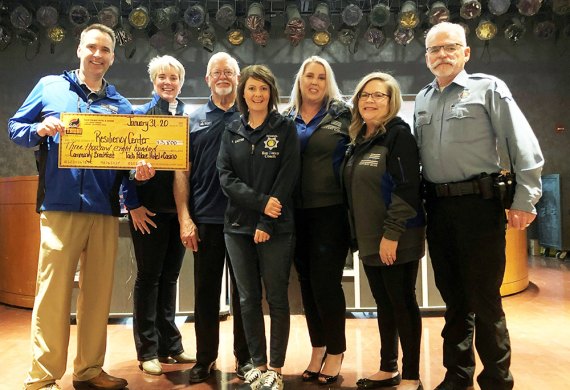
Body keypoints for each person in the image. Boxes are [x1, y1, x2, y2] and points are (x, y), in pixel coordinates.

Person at [8, 24, 155, 390]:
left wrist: (139, 173)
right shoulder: (49, 87)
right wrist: (39, 128)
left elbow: (127, 166)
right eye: (92, 47)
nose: (97, 55)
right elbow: (15, 127)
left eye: (105, 50)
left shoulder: (121, 106)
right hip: (59, 207)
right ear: (79, 49)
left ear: (112, 58)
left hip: (104, 212)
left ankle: (88, 371)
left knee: (97, 296)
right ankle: (42, 378)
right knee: (53, 295)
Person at [414, 22, 544, 390]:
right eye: (434, 50)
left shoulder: (488, 89)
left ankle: (497, 380)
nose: (442, 55)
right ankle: (457, 375)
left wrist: (525, 199)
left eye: (450, 47)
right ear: (426, 57)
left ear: (466, 52)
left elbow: (525, 148)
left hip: (479, 208)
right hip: (438, 209)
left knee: (485, 299)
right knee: (453, 300)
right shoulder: (423, 98)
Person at [217, 64, 300, 390]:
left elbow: (287, 176)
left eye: (263, 88)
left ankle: (276, 368)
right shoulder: (232, 129)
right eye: (251, 88)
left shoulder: (285, 128)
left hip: (276, 228)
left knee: (277, 298)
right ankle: (257, 363)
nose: (257, 94)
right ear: (243, 93)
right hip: (236, 228)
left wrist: (267, 217)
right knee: (248, 299)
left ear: (271, 92)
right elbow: (226, 178)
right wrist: (259, 203)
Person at [342, 72, 425, 390]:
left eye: (379, 95)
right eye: (365, 95)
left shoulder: (398, 136)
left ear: (392, 102)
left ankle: (412, 375)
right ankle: (388, 367)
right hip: (369, 238)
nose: (370, 101)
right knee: (384, 302)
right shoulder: (359, 139)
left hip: (397, 237)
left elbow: (407, 189)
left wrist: (391, 234)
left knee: (402, 302)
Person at [173, 52, 252, 383]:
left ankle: (245, 359)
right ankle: (205, 359)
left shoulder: (251, 117)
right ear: (207, 79)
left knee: (245, 295)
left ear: (237, 78)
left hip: (244, 220)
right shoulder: (191, 120)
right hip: (204, 219)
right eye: (216, 72)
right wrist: (184, 218)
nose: (223, 76)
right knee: (205, 295)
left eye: (229, 72)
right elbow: (181, 172)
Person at [122, 55, 195, 376]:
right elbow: (122, 167)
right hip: (147, 213)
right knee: (148, 279)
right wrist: (133, 204)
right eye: (162, 77)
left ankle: (171, 346)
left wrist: (186, 214)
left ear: (181, 81)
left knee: (170, 279)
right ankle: (147, 349)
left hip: (176, 214)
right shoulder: (140, 116)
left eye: (173, 77)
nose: (168, 82)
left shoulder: (187, 118)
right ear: (153, 82)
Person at [283, 56, 351, 385]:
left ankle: (336, 350)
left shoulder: (342, 115)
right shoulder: (285, 118)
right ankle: (318, 347)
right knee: (307, 286)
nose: (314, 82)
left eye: (321, 78)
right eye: (309, 75)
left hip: (331, 212)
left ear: (328, 83)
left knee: (326, 283)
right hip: (296, 214)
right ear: (299, 80)